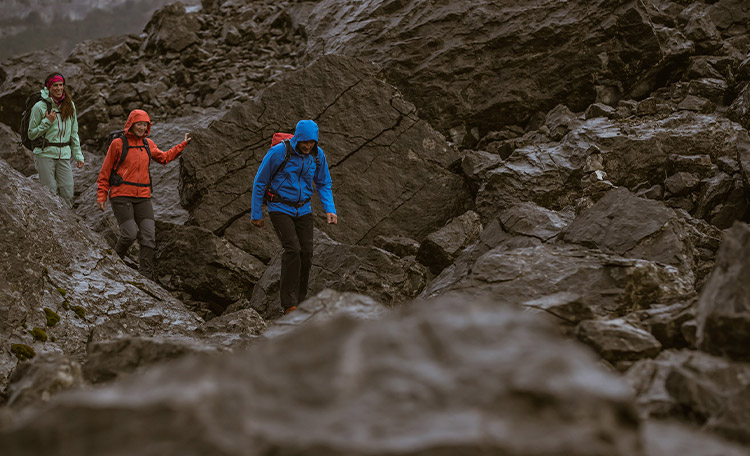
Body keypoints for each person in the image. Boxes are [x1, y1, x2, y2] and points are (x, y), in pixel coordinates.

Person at [251, 119, 337, 315]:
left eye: (312, 142)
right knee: (293, 250)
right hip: (279, 207)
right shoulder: (279, 152)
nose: (308, 146)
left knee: (306, 253)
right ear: (297, 138)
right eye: (304, 142)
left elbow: (323, 183)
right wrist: (257, 213)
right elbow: (260, 182)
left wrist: (330, 209)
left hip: (303, 209)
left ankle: (300, 301)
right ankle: (289, 305)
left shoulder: (317, 155)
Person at [96, 109, 191, 280]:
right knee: (130, 233)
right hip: (121, 195)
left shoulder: (148, 144)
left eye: (145, 124)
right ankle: (114, 262)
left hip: (143, 197)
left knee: (148, 235)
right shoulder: (118, 144)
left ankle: (145, 276)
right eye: (139, 124)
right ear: (131, 124)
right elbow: (105, 171)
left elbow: (164, 158)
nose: (142, 127)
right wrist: (102, 195)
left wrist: (182, 145)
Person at [27, 72, 84, 208]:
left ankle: (69, 225)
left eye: (61, 85)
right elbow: (31, 134)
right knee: (49, 193)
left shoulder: (70, 105)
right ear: (48, 87)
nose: (59, 88)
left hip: (64, 155)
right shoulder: (39, 107)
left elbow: (74, 132)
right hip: (44, 154)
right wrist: (47, 122)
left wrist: (78, 155)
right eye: (55, 85)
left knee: (68, 192)